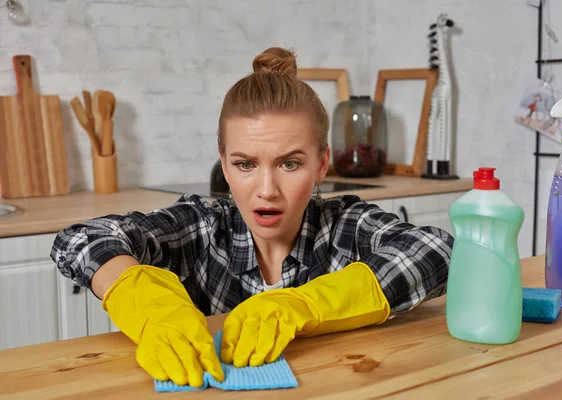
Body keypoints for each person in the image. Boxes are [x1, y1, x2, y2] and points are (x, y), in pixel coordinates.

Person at [50, 47, 453, 388]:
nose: (266, 189)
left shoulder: (344, 223)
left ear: (322, 165)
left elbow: (438, 249)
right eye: (245, 164)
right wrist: (151, 305)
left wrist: (302, 305)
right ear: (224, 166)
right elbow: (80, 238)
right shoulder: (204, 226)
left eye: (290, 163)